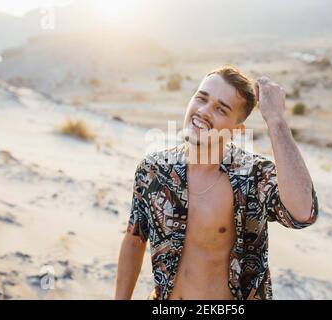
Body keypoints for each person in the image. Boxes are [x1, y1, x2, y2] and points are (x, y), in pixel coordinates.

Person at [115, 65, 319, 300]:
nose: (203, 111)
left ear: (236, 129)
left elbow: (303, 212)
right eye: (201, 98)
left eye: (221, 109)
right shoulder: (153, 170)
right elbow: (134, 239)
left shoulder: (252, 175)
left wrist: (276, 120)